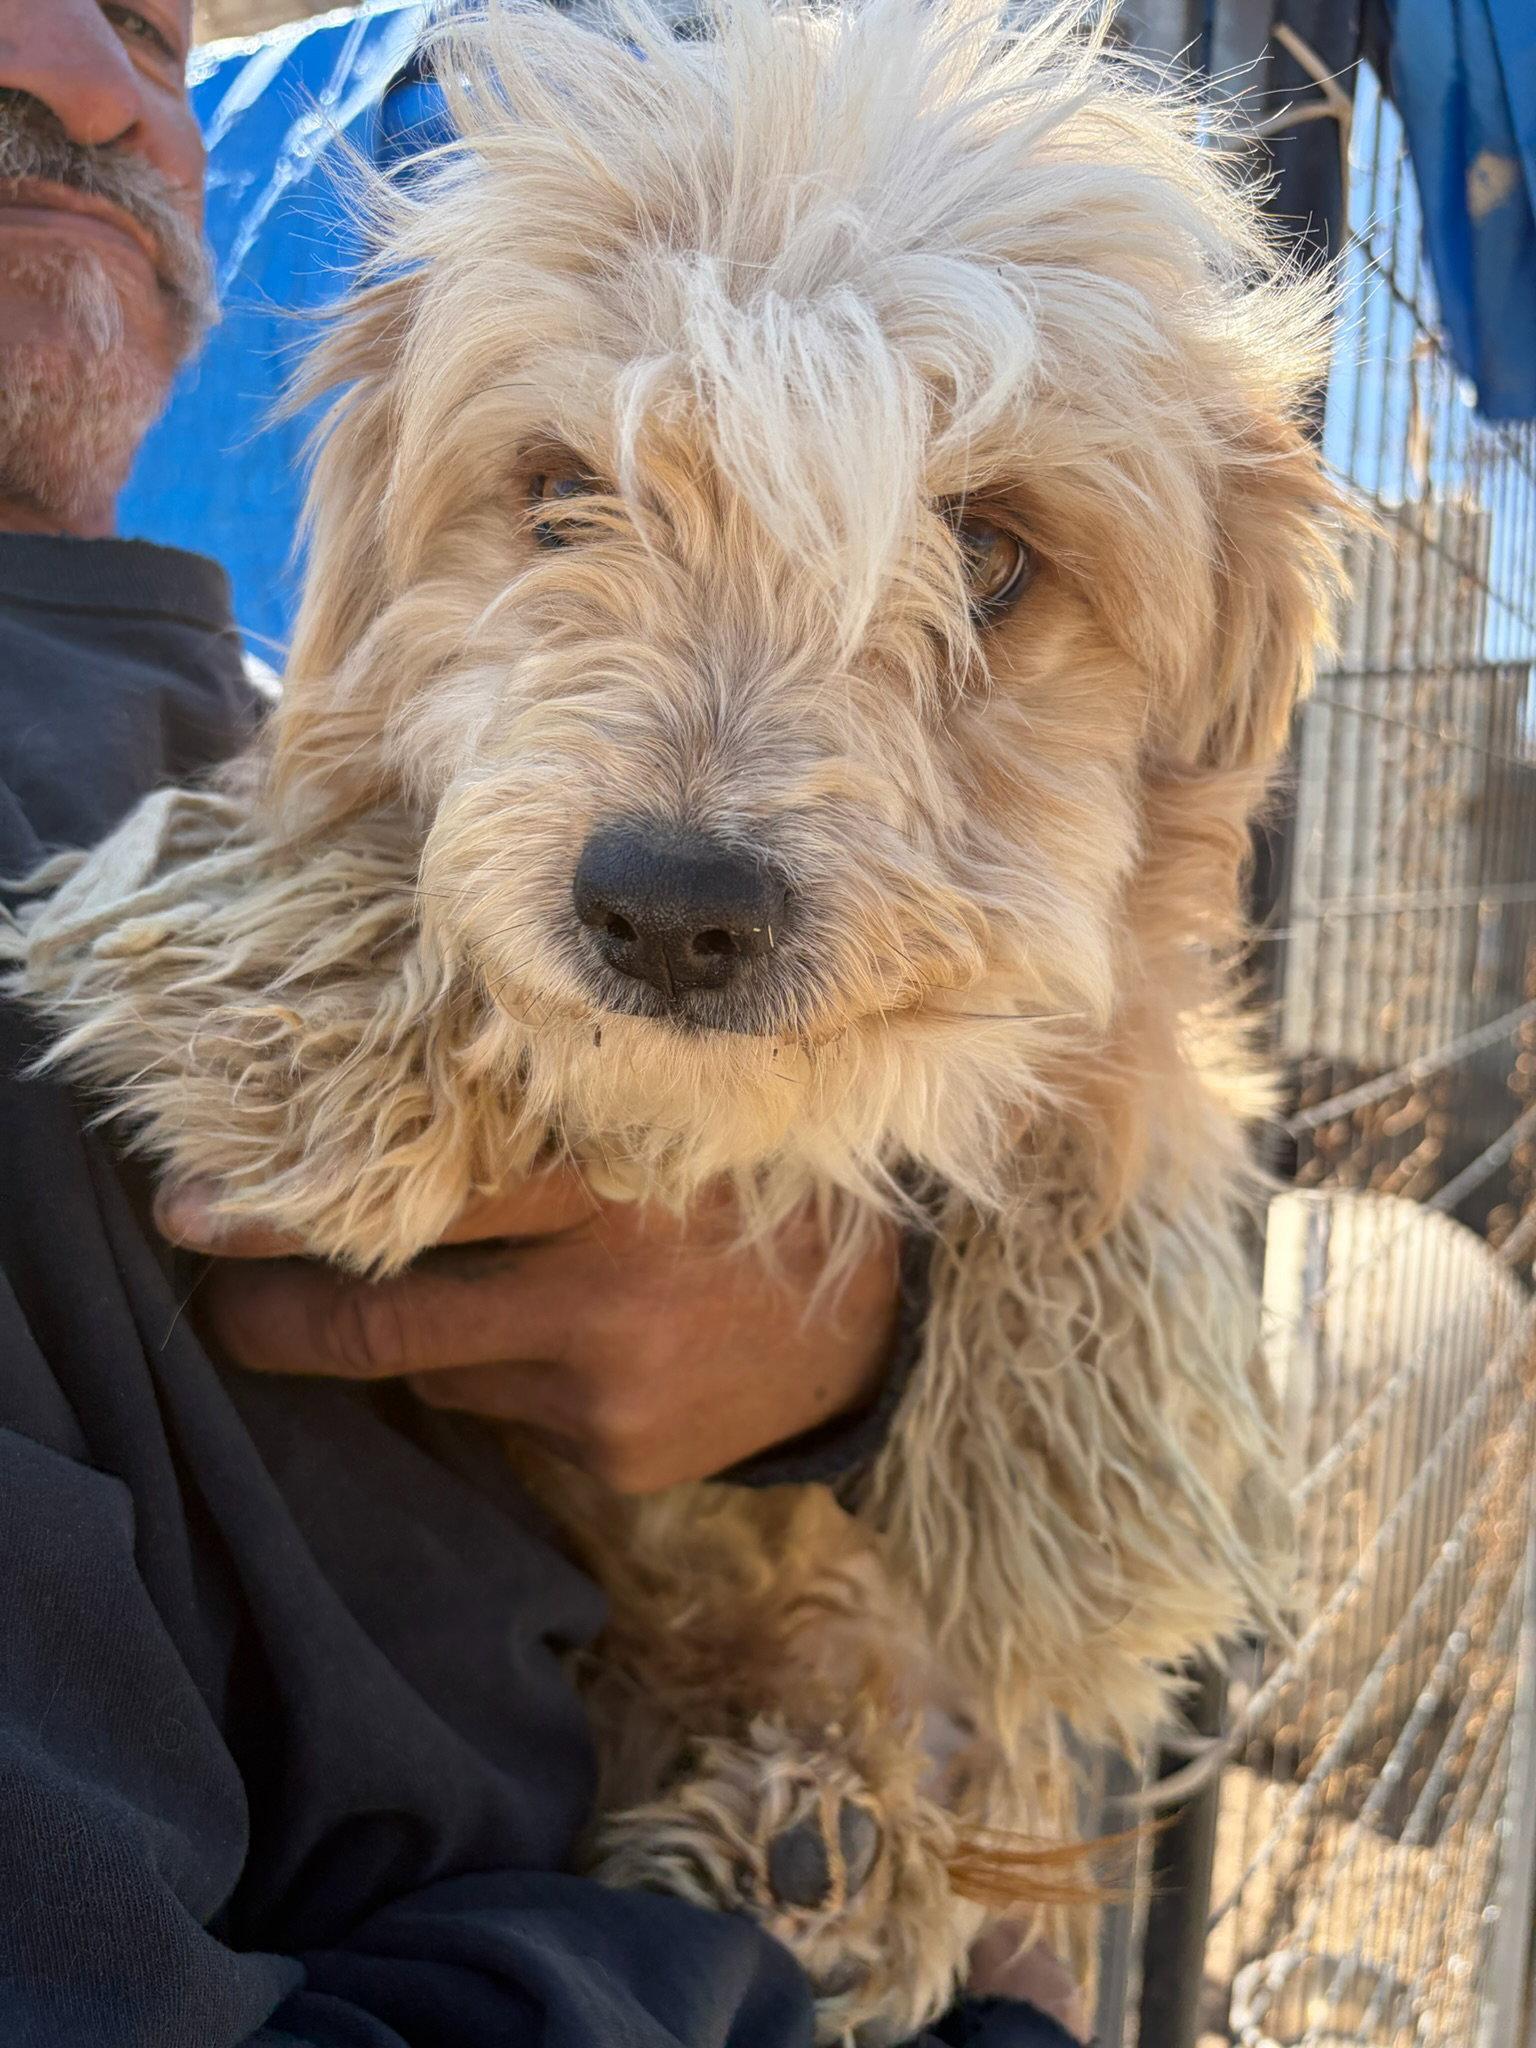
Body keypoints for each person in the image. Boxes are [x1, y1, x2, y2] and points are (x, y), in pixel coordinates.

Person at [0, 3, 1090, 2043]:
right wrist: (1001, 2013)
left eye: (147, 18)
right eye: (571, 496)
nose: (84, 71)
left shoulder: (270, 686)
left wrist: (872, 1321)